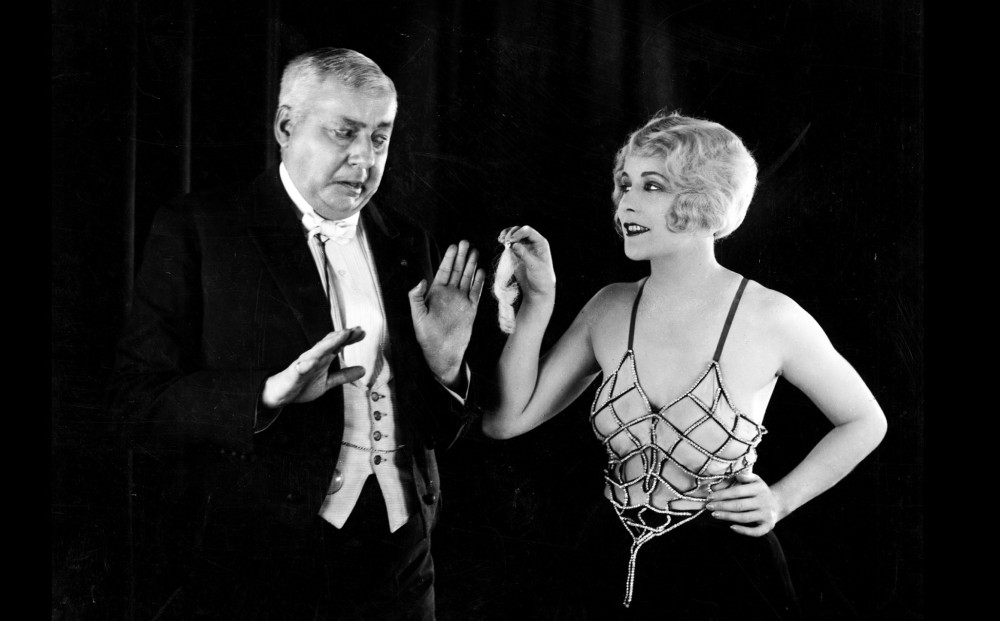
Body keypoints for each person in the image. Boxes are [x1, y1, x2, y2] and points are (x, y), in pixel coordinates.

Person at [109, 47, 486, 621]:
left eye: (380, 137)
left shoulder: (408, 241)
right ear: (286, 126)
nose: (364, 159)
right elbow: (136, 404)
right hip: (258, 562)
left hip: (401, 554)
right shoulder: (199, 228)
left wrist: (446, 365)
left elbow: (434, 429)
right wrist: (263, 394)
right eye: (344, 133)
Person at [482, 111, 887, 620]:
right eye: (624, 183)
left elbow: (865, 421)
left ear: (705, 199)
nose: (626, 200)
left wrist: (782, 499)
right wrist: (538, 305)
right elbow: (506, 421)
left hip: (722, 573)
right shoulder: (608, 306)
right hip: (603, 557)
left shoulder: (772, 317)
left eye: (653, 186)